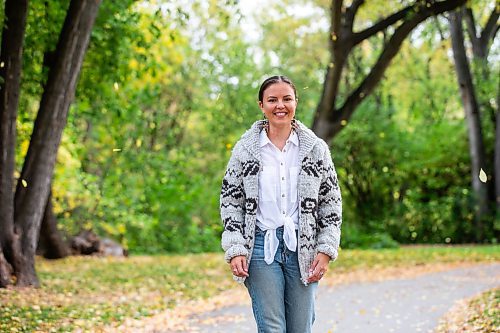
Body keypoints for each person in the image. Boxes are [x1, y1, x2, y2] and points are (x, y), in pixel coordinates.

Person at [220, 75, 342, 333]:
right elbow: (231, 200)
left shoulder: (315, 150)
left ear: (296, 102)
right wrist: (235, 247)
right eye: (272, 100)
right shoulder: (245, 150)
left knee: (300, 327)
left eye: (286, 99)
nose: (280, 105)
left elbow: (331, 204)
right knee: (272, 327)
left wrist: (326, 248)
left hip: (304, 246)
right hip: (260, 248)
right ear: (261, 105)